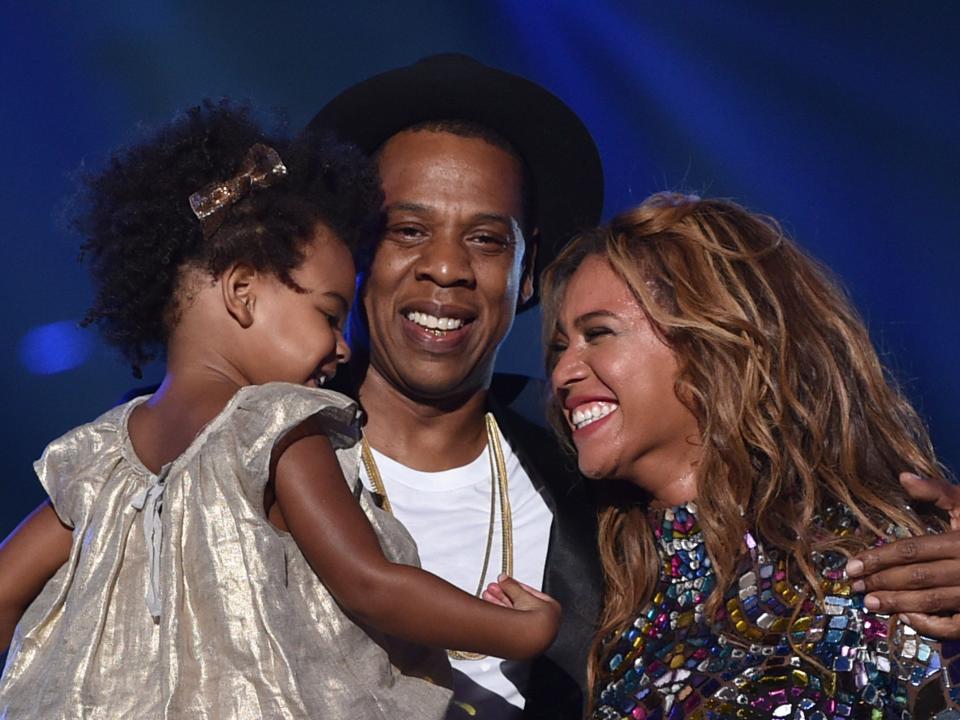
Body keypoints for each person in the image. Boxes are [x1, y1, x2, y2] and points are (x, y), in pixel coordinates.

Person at [0, 102, 561, 719]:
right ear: (243, 293)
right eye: (327, 315)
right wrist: (519, 633)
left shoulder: (99, 454)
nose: (342, 346)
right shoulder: (276, 425)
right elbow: (369, 584)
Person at [538, 192, 960, 718]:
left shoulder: (883, 565)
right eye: (560, 347)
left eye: (597, 334)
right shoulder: (613, 598)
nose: (562, 373)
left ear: (713, 340)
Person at [306, 53, 605, 719]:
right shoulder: (250, 448)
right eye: (407, 232)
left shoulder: (595, 478)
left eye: (487, 240)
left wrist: (887, 589)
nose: (445, 267)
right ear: (353, 253)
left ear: (528, 276)